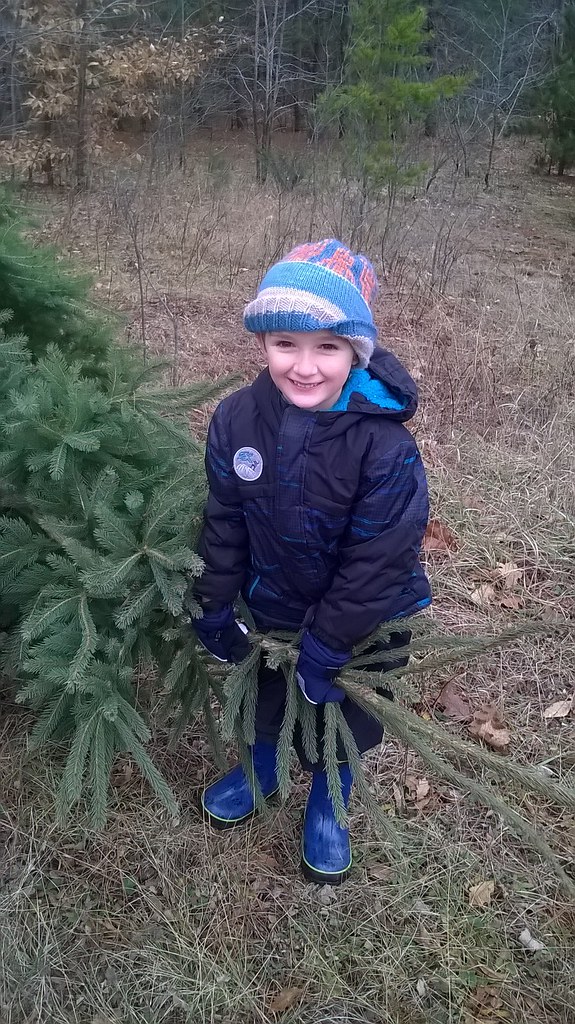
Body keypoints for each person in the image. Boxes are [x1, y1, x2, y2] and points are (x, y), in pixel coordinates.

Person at [189, 239, 431, 885]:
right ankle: (261, 770)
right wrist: (213, 601)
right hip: (271, 605)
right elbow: (224, 518)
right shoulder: (236, 419)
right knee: (263, 696)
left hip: (365, 621)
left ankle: (330, 801)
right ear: (262, 341)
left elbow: (379, 558)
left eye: (326, 346)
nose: (302, 366)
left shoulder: (383, 445)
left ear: (356, 351)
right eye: (284, 343)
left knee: (344, 712)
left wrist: (330, 643)